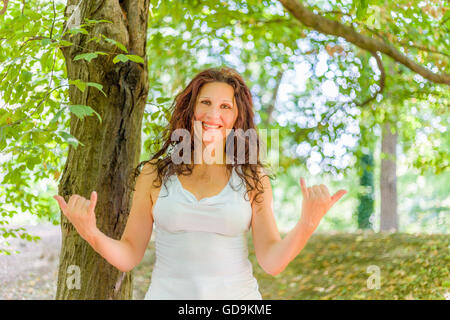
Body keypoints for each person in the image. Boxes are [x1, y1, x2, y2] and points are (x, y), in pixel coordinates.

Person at [53, 67, 347, 300]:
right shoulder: (155, 175)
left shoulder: (252, 178)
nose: (213, 114)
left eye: (225, 106)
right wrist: (89, 232)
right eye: (205, 102)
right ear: (190, 109)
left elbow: (272, 261)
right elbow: (129, 254)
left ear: (237, 117)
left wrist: (307, 222)